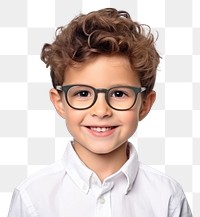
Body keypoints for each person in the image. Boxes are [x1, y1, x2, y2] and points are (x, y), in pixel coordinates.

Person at [8, 8, 192, 217]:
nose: (101, 110)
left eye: (119, 94)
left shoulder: (168, 196)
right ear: (59, 102)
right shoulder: (32, 197)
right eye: (83, 93)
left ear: (144, 104)